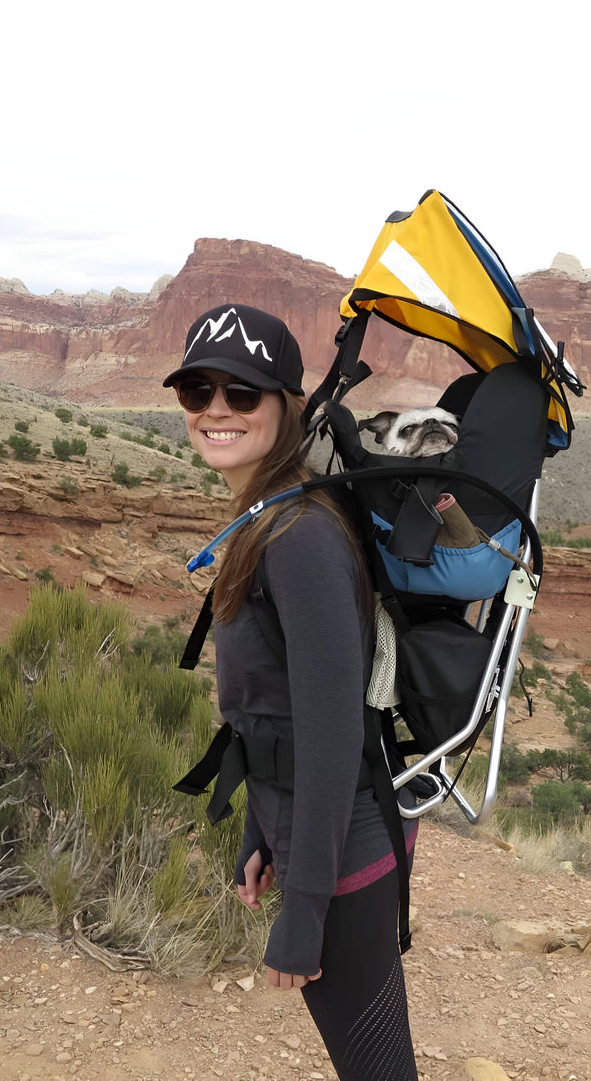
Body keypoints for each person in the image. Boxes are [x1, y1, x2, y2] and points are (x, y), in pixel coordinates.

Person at [167, 303, 419, 1081]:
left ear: (286, 404)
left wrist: (306, 910)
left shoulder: (301, 534)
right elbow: (269, 715)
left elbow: (332, 731)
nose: (216, 408)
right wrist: (259, 836)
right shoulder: (264, 517)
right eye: (197, 389)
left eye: (243, 393)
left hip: (346, 853)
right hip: (318, 840)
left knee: (379, 1070)